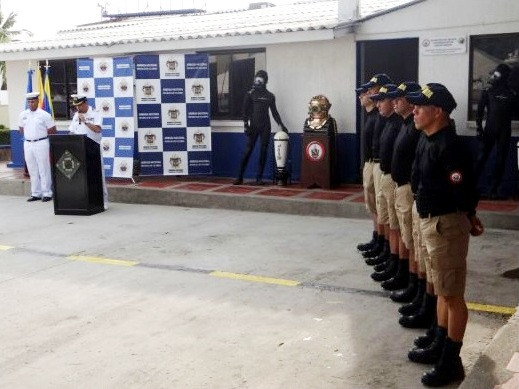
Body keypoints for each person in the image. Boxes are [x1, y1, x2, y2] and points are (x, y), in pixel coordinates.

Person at [406, 83, 483, 387]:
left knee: (452, 295)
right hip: (429, 221)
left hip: (446, 225)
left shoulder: (450, 147)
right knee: (440, 288)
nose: (414, 111)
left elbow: (463, 189)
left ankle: (452, 361)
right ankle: (440, 343)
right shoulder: (427, 138)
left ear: (437, 111)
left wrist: (471, 215)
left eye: (419, 107)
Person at [234, 70, 288, 185]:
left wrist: (281, 125)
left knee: (263, 152)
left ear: (265, 81)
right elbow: (244, 111)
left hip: (265, 127)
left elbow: (274, 112)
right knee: (248, 151)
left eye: (260, 80)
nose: (257, 81)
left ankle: (259, 178)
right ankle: (239, 177)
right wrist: (245, 125)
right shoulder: (250, 93)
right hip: (253, 126)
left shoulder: (270, 96)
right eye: (256, 79)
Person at [475, 63, 517, 199]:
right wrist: (479, 128)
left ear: (503, 75)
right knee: (481, 158)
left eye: (497, 73)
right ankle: (471, 186)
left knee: (500, 160)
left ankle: (493, 190)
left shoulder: (512, 94)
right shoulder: (488, 91)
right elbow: (479, 111)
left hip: (504, 131)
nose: (494, 76)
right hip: (490, 130)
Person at [68, 94, 108, 209]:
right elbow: (71, 131)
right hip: (79, 149)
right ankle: (85, 201)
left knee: (98, 175)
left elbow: (98, 130)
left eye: (79, 106)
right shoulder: (76, 115)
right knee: (82, 176)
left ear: (84, 103)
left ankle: (103, 202)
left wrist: (85, 121)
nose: (77, 108)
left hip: (93, 147)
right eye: (76, 106)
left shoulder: (96, 113)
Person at [18, 91, 57, 202]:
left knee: (43, 168)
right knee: (32, 168)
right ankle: (36, 193)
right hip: (28, 143)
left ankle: (47, 193)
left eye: (33, 101)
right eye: (29, 102)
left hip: (41, 142)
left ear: (38, 101)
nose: (31, 104)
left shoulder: (44, 115)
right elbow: (20, 129)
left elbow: (53, 130)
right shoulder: (23, 114)